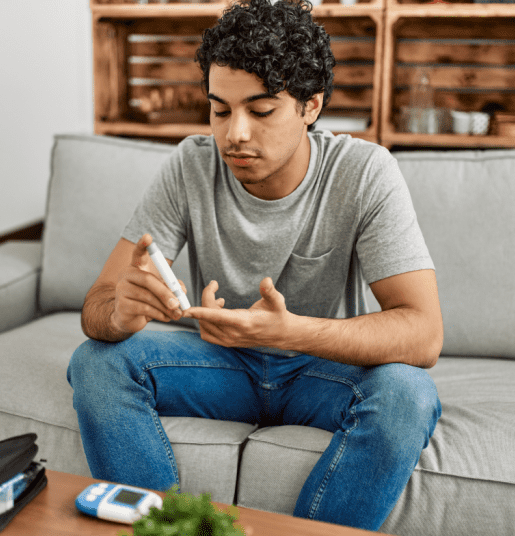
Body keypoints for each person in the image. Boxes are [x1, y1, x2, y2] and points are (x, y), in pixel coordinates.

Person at [66, 0, 443, 530]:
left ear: (311, 107)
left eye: (261, 111)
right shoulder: (191, 165)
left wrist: (291, 333)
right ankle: (168, 528)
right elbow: (98, 305)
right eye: (220, 110)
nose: (234, 134)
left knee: (408, 395)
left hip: (318, 372)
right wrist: (120, 313)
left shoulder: (364, 173)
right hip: (222, 367)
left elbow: (424, 333)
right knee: (96, 362)